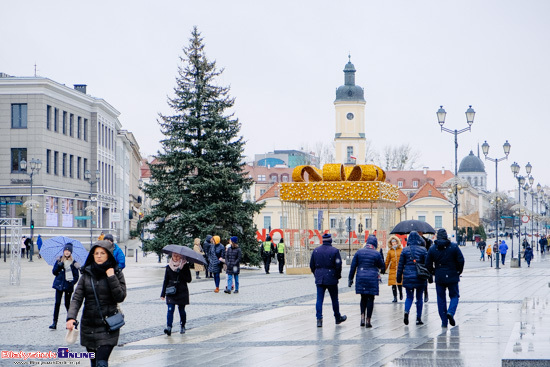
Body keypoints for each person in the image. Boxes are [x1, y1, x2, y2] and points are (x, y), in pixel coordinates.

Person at [66, 240, 126, 367]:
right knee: (94, 362)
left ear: (108, 255)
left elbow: (120, 296)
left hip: (108, 325)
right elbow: (77, 298)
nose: (99, 256)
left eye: (102, 253)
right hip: (89, 326)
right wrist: (71, 317)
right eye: (96, 253)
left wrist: (111, 277)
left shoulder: (116, 273)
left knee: (101, 363)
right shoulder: (86, 274)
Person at [426, 229, 464, 328]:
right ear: (446, 236)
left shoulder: (433, 248)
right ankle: (451, 312)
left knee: (441, 299)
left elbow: (428, 264)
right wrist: (458, 271)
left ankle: (444, 321)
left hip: (440, 276)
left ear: (437, 236)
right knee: (454, 296)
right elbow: (461, 260)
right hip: (452, 275)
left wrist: (434, 271)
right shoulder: (454, 247)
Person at [310, 233, 347, 327]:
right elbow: (338, 265)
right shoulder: (334, 251)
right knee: (334, 299)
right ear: (330, 240)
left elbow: (312, 265)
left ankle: (319, 319)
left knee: (319, 300)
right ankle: (337, 317)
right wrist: (337, 276)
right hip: (331, 277)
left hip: (320, 278)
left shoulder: (316, 250)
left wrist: (317, 274)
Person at [348, 235, 384, 328]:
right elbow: (382, 268)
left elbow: (353, 267)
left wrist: (350, 279)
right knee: (370, 299)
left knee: (363, 298)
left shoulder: (359, 252)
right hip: (372, 278)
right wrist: (381, 256)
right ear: (375, 244)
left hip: (361, 277)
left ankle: (362, 317)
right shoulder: (376, 254)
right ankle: (368, 320)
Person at [396, 231, 429, 326]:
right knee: (419, 298)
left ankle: (406, 311)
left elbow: (400, 266)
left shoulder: (405, 250)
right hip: (420, 277)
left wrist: (398, 278)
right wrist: (429, 278)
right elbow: (427, 265)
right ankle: (418, 318)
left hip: (408, 277)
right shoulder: (423, 250)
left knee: (409, 297)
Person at [49, 244, 80, 329]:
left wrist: (71, 282)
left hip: (68, 285)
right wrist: (59, 267)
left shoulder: (74, 263)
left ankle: (71, 322)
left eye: (68, 251)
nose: (67, 252)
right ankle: (54, 323)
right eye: (65, 250)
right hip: (59, 285)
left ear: (71, 252)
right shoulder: (59, 260)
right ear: (63, 251)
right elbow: (54, 272)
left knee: (67, 304)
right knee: (57, 303)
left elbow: (76, 276)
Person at [160, 252, 192, 335]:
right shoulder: (168, 267)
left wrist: (180, 273)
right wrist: (163, 293)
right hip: (171, 290)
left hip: (182, 290)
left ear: (181, 256)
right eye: (174, 256)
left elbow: (189, 279)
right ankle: (169, 327)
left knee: (181, 310)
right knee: (170, 309)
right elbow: (165, 280)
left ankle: (182, 325)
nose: (176, 258)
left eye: (178, 256)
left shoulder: (184, 266)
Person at [384, 235, 403, 303]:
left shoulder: (401, 250)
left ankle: (400, 293)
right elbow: (387, 261)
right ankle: (395, 297)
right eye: (393, 243)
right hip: (392, 269)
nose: (394, 244)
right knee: (393, 284)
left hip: (399, 269)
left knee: (399, 283)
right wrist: (384, 268)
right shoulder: (390, 251)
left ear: (397, 242)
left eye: (395, 242)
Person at [418, 232, 433, 302]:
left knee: (424, 278)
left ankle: (425, 294)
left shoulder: (427, 241)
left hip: (425, 261)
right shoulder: (415, 241)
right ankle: (420, 295)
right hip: (418, 262)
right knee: (419, 279)